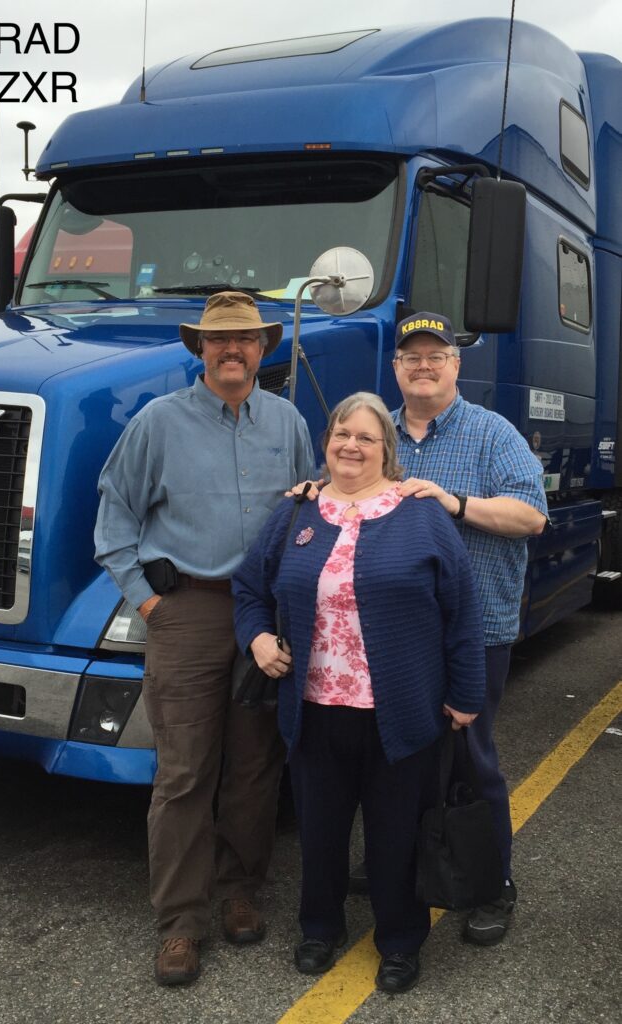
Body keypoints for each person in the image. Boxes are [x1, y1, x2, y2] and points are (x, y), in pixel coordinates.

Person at [94, 291, 315, 987]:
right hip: (186, 614)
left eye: (245, 340)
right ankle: (180, 924)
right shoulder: (157, 423)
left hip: (264, 616)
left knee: (254, 766)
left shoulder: (286, 422)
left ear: (263, 349)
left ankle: (240, 891)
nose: (232, 350)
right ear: (199, 349)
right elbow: (113, 522)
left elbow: (306, 512)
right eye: (220, 341)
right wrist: (151, 603)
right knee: (185, 772)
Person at [232, 392, 486, 994]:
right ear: (327, 441)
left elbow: (462, 610)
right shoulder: (298, 511)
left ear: (385, 450)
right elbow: (248, 587)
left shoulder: (419, 513)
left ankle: (400, 941)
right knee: (319, 830)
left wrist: (466, 694)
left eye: (366, 437)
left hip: (400, 712)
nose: (351, 445)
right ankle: (320, 928)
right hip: (315, 709)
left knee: (396, 834)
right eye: (342, 433)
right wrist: (259, 640)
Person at [336, 313, 547, 944]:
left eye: (437, 356)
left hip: (476, 627)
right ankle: (402, 864)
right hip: (396, 632)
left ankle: (490, 886)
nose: (423, 366)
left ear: (456, 366)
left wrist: (453, 501)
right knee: (401, 755)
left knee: (473, 759)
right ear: (395, 369)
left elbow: (531, 517)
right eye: (411, 358)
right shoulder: (378, 435)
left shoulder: (492, 434)